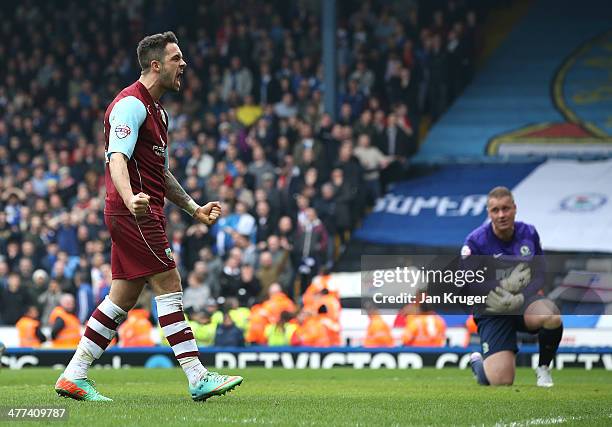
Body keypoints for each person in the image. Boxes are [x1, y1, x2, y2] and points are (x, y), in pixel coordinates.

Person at [54, 32, 242, 402]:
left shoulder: (159, 112)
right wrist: (130, 199)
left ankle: (73, 374)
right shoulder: (130, 105)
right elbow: (116, 157)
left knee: (121, 297)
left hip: (142, 210)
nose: (183, 64)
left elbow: (162, 174)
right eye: (177, 59)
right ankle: (197, 376)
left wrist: (193, 208)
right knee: (169, 282)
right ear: (156, 65)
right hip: (134, 212)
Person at [464, 187, 563, 387]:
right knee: (501, 382)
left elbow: (540, 273)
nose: (501, 215)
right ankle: (477, 363)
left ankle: (543, 368)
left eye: (506, 208)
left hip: (523, 303)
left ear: (515, 208)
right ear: (488, 213)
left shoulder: (529, 233)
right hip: (492, 310)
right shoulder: (475, 241)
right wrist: (500, 287)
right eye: (495, 210)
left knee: (551, 315)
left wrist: (521, 296)